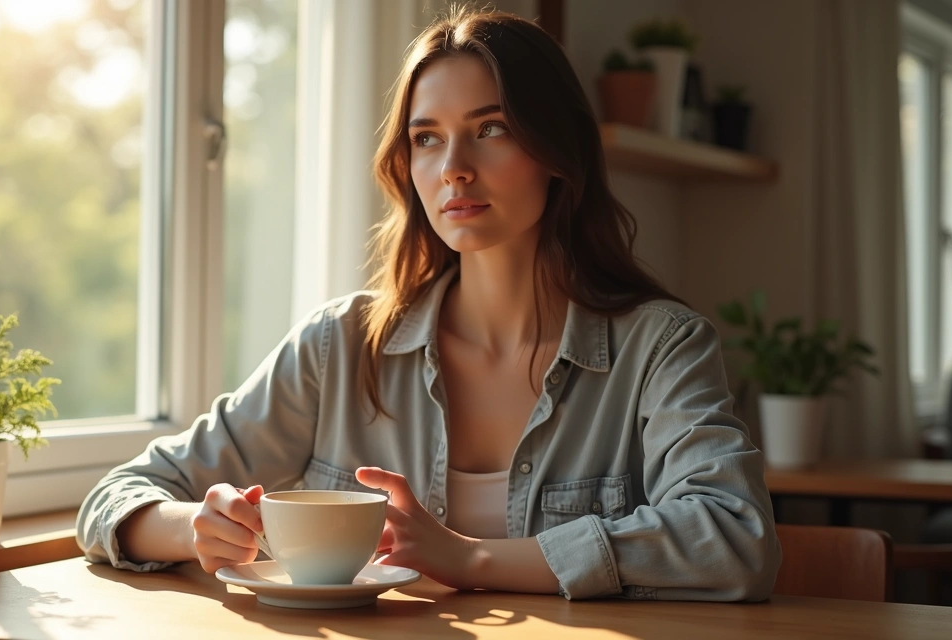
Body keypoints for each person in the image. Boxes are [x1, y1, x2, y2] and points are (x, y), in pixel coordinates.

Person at [77, 6, 781, 602]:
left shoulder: (661, 347)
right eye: (427, 139)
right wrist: (196, 524)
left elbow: (734, 537)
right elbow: (119, 494)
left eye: (492, 128)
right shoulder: (339, 345)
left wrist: (467, 557)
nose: (454, 169)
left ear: (557, 150)